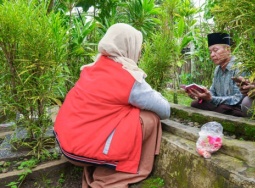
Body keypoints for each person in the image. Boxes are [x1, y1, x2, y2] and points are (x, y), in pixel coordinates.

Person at [53, 23, 170, 188]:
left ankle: (100, 163)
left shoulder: (92, 67)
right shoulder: (128, 77)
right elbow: (165, 110)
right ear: (130, 46)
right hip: (80, 152)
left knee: (125, 111)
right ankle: (114, 172)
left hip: (65, 144)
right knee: (149, 118)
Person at [187, 33, 245, 117]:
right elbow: (213, 92)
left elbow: (238, 99)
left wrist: (211, 99)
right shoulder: (218, 69)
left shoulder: (239, 67)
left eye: (215, 50)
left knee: (223, 109)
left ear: (228, 50)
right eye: (210, 52)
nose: (212, 55)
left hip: (234, 107)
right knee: (195, 104)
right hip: (219, 104)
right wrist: (200, 94)